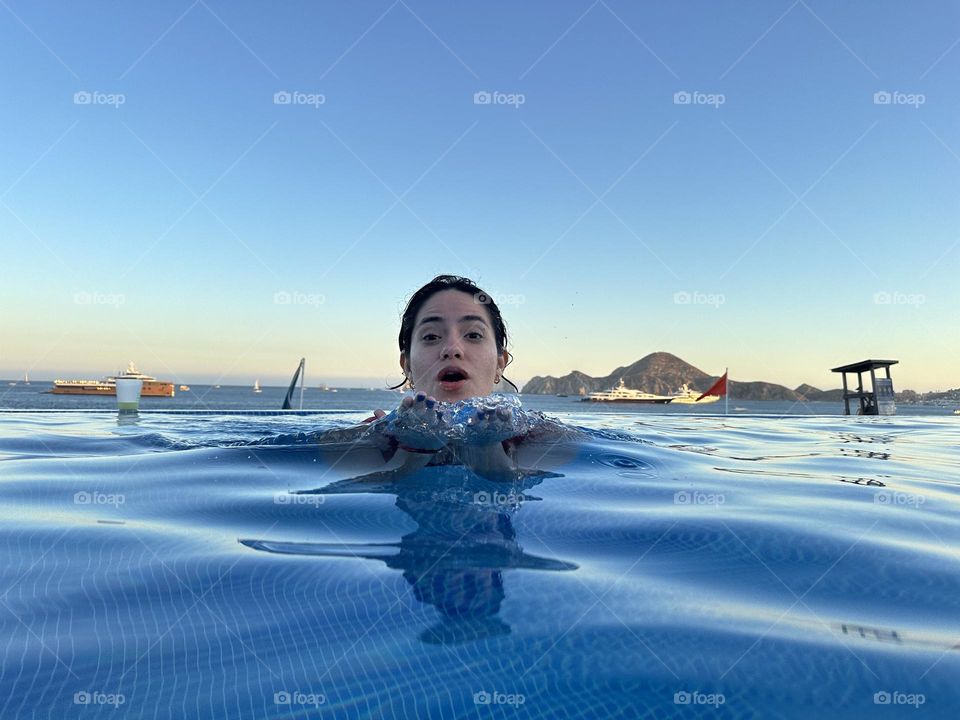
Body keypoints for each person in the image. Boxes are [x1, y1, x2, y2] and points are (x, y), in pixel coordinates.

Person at [319, 275, 571, 480]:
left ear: (499, 363)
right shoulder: (375, 437)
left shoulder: (539, 435)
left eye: (473, 335)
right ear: (406, 366)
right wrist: (411, 450)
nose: (452, 348)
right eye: (430, 336)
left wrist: (490, 454)